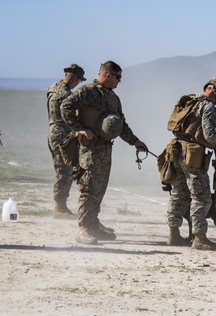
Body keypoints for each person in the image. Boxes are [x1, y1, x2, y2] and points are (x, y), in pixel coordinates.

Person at [59, 61, 149, 245]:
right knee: (88, 188)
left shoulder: (113, 98)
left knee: (99, 189)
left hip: (105, 148)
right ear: (107, 75)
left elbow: (121, 124)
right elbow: (65, 107)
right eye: (118, 77)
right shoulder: (88, 91)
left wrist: (135, 141)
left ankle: (93, 225)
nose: (119, 81)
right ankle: (84, 229)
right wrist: (79, 128)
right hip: (89, 148)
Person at [163, 78, 216, 250]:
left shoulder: (190, 101)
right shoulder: (207, 107)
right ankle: (199, 238)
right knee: (200, 196)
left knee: (178, 193)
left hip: (175, 151)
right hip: (192, 156)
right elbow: (211, 137)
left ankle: (174, 235)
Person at [46, 63, 87, 218]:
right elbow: (72, 115)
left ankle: (60, 206)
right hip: (62, 134)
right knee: (64, 171)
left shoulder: (53, 87)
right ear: (76, 79)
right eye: (79, 80)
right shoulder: (66, 95)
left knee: (63, 169)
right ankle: (59, 208)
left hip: (53, 131)